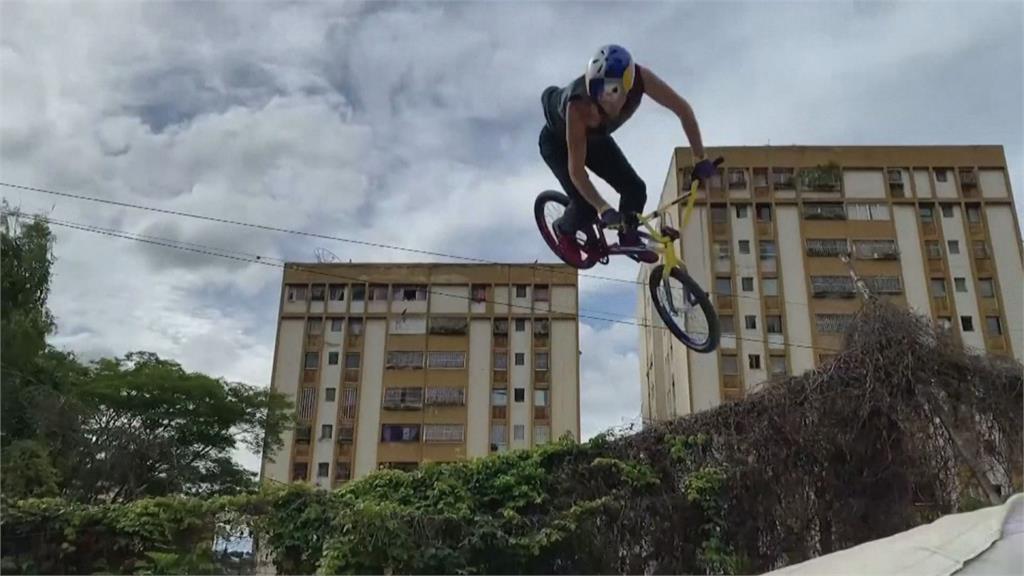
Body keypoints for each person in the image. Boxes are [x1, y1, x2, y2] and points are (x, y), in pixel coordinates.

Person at [539, 44, 716, 265]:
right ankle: (563, 230)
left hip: (595, 141)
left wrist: (700, 158)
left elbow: (683, 110)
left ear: (627, 85)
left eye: (611, 95)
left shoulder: (642, 79)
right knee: (585, 205)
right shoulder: (579, 107)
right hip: (557, 145)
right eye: (597, 100)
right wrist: (604, 209)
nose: (601, 110)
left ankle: (628, 236)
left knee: (635, 189)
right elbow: (576, 171)